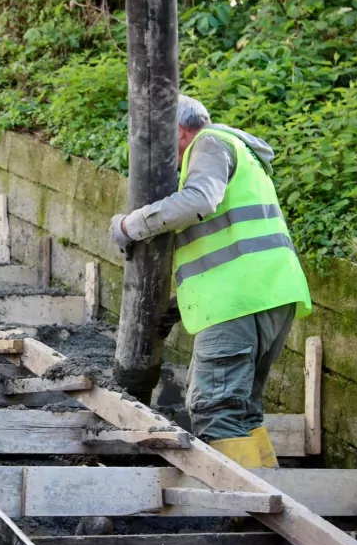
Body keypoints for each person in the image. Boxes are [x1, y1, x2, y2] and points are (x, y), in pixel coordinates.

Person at [109, 95, 312, 468]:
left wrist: (130, 225)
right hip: (272, 294)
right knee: (244, 411)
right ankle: (272, 503)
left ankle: (246, 511)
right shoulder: (240, 152)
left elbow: (197, 202)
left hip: (236, 300)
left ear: (179, 131)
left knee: (216, 408)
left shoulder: (209, 144)